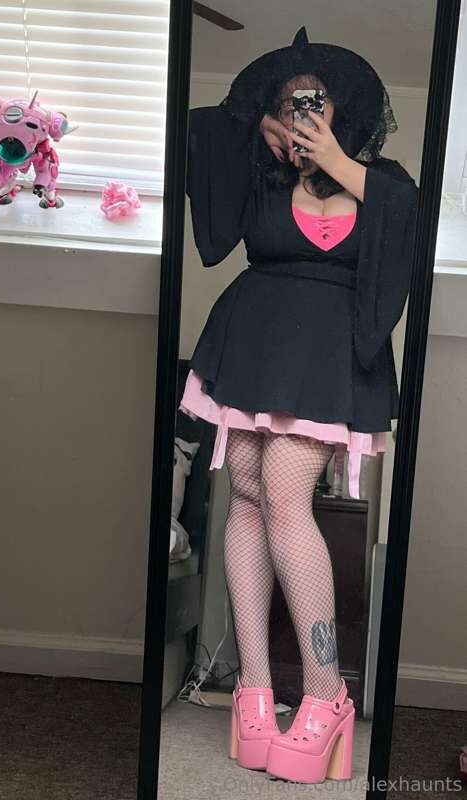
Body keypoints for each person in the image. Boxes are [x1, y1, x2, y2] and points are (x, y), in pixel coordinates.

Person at [178, 26, 419, 784]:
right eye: (288, 104)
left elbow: (403, 226)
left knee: (285, 495)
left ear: (344, 109)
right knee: (247, 495)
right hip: (253, 340)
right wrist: (258, 124)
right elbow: (200, 139)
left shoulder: (382, 182)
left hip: (326, 358)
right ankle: (253, 689)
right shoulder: (261, 175)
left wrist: (335, 161)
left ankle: (324, 693)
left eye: (313, 103)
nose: (301, 115)